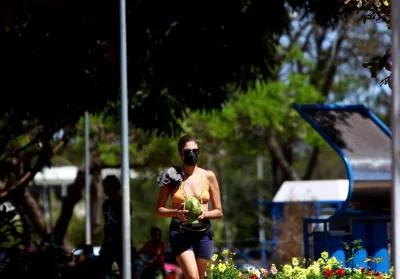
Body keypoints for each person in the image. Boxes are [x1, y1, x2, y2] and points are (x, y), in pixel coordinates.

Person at [156, 135, 223, 279]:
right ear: (180, 154)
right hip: (180, 232)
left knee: (201, 277)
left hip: (203, 232)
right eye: (187, 151)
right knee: (193, 277)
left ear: (199, 152)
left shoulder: (208, 176)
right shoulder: (172, 177)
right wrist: (176, 212)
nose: (191, 154)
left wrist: (205, 214)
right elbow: (159, 209)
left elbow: (218, 212)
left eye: (195, 151)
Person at [98, 175, 136, 278]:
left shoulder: (124, 203)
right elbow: (107, 223)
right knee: (100, 268)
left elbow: (125, 224)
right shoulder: (106, 204)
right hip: (108, 243)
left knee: (126, 271)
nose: (105, 189)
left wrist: (115, 237)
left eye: (107, 186)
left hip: (122, 243)